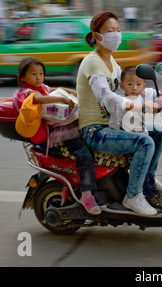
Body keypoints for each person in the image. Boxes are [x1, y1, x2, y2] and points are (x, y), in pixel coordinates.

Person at [77, 11, 162, 216]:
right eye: (111, 31)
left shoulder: (111, 62)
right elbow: (107, 98)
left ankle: (148, 180)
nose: (116, 35)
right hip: (95, 130)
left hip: (113, 124)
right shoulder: (93, 62)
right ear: (97, 35)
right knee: (145, 142)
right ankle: (133, 196)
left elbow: (130, 87)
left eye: (118, 30)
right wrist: (139, 107)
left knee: (159, 132)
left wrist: (159, 95)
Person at [14, 57, 101, 216]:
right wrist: (61, 98)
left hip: (73, 125)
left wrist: (82, 95)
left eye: (41, 73)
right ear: (23, 78)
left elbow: (59, 89)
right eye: (34, 74)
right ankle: (87, 194)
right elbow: (39, 99)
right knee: (84, 156)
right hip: (62, 133)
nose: (39, 77)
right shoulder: (27, 93)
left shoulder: (43, 88)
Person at [109, 66, 162, 209]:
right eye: (130, 84)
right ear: (122, 86)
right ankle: (147, 193)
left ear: (143, 86)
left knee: (161, 131)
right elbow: (116, 121)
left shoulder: (140, 96)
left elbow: (152, 93)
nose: (134, 88)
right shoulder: (122, 102)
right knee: (146, 154)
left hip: (141, 134)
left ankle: (151, 180)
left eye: (138, 85)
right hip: (128, 140)